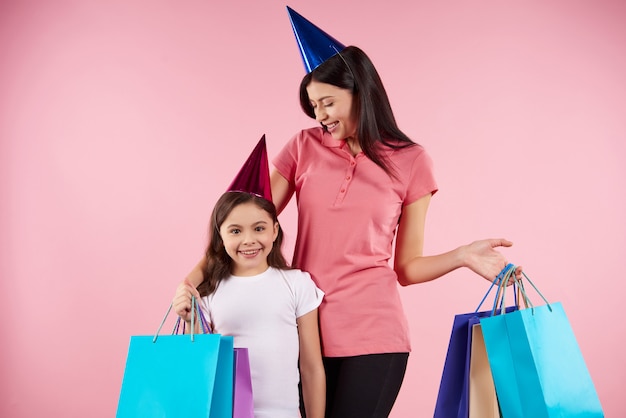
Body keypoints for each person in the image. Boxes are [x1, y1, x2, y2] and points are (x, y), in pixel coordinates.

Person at [177, 7, 522, 418]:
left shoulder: (412, 161)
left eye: (327, 102)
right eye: (313, 106)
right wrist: (191, 283)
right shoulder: (303, 148)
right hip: (301, 331)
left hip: (374, 336)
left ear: (361, 91)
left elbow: (407, 268)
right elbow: (241, 222)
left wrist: (463, 255)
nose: (320, 116)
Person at [173, 138, 326, 418]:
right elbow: (200, 367)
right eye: (235, 231)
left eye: (258, 228)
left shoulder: (297, 284)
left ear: (275, 230)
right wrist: (189, 316)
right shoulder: (209, 293)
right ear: (220, 236)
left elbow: (311, 366)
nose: (248, 240)